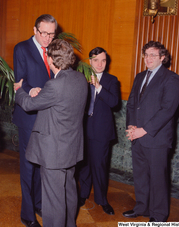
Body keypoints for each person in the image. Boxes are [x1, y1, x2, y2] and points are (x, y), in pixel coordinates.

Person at [15, 39, 88, 227]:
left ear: (50, 60)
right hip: (71, 148)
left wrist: (19, 90)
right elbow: (60, 104)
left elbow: (29, 105)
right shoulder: (79, 79)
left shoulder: (55, 85)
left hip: (54, 152)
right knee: (69, 192)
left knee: (53, 201)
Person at [124, 41, 179, 222]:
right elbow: (132, 104)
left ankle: (159, 215)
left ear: (162, 58)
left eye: (153, 55)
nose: (148, 59)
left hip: (157, 139)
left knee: (158, 179)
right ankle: (142, 207)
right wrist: (132, 126)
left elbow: (168, 110)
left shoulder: (171, 78)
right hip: (137, 137)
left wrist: (144, 130)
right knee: (140, 176)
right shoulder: (140, 76)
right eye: (146, 55)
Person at [13, 14, 57, 227]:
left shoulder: (54, 49)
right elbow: (19, 81)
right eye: (44, 33)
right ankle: (27, 214)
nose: (48, 38)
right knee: (29, 166)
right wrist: (32, 90)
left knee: (42, 164)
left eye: (51, 33)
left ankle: (39, 203)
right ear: (34, 30)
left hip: (49, 117)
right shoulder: (22, 48)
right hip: (29, 117)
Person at [78, 47, 119, 215]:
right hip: (82, 128)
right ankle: (82, 194)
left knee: (100, 167)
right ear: (90, 61)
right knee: (83, 165)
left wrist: (99, 86)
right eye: (96, 60)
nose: (100, 64)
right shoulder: (81, 78)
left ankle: (102, 200)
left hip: (101, 131)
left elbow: (115, 102)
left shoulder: (111, 80)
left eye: (103, 60)